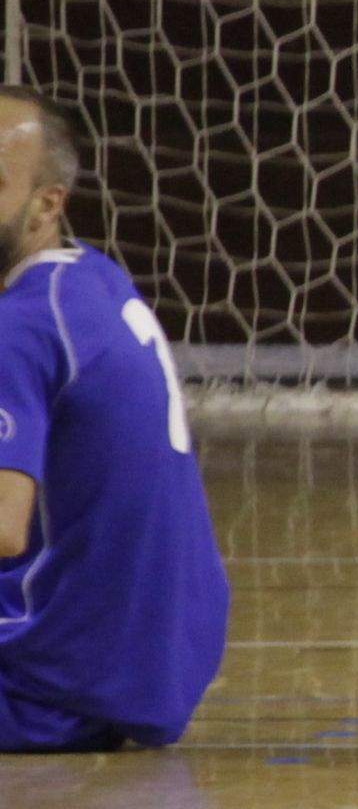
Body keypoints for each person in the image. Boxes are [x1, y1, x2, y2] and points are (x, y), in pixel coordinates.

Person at [0, 90, 230, 751]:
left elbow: (4, 529)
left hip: (52, 687)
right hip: (157, 663)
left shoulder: (19, 327)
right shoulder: (91, 279)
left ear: (47, 204)